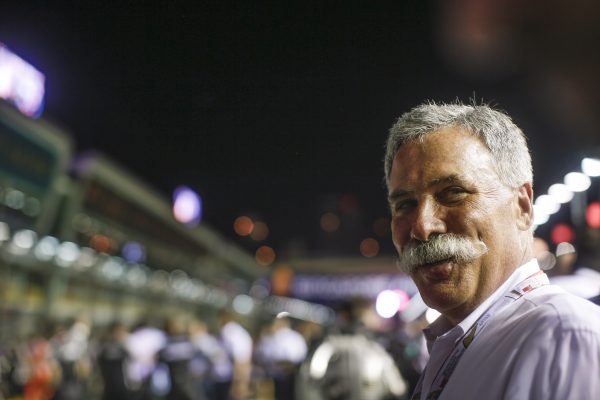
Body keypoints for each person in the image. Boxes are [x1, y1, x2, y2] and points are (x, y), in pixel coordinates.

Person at [383, 101, 600, 399]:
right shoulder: (456, 343)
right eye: (405, 204)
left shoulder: (563, 337)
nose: (422, 227)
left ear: (522, 206)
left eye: (453, 193)